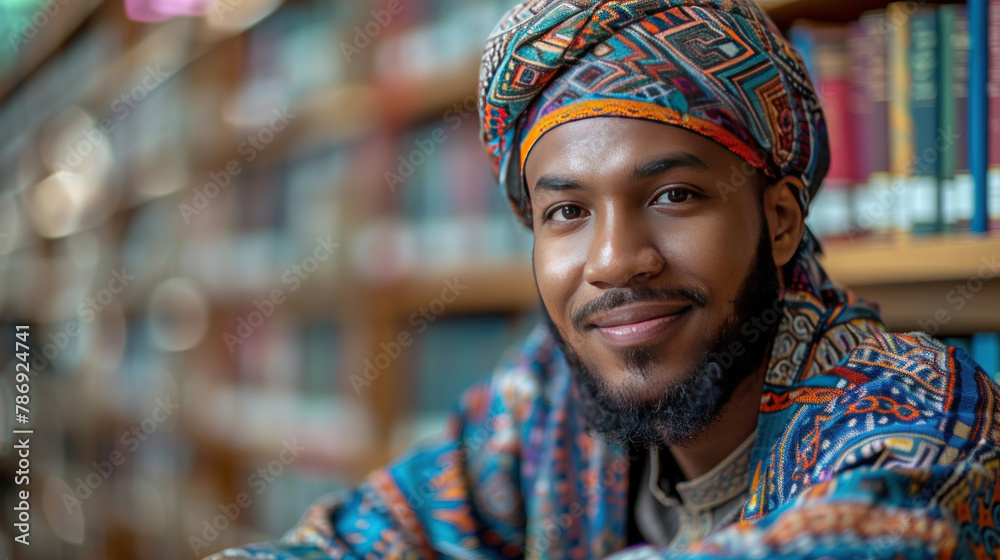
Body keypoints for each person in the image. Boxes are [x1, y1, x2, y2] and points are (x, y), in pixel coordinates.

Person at [208, 1, 1000, 558]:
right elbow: (358, 540)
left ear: (782, 219)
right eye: (567, 213)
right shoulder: (546, 405)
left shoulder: (919, 412)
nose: (616, 260)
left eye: (673, 196)